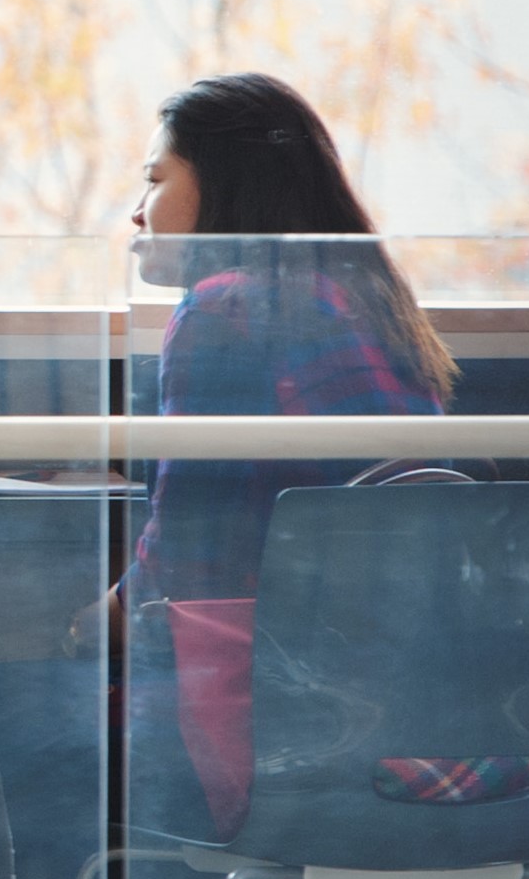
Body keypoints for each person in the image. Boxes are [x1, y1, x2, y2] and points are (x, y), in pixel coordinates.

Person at [118, 71, 457, 605]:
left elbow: (182, 555)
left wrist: (86, 626)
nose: (138, 211)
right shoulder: (368, 298)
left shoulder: (224, 309)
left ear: (225, 182)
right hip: (393, 628)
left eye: (154, 180)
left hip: (284, 636)